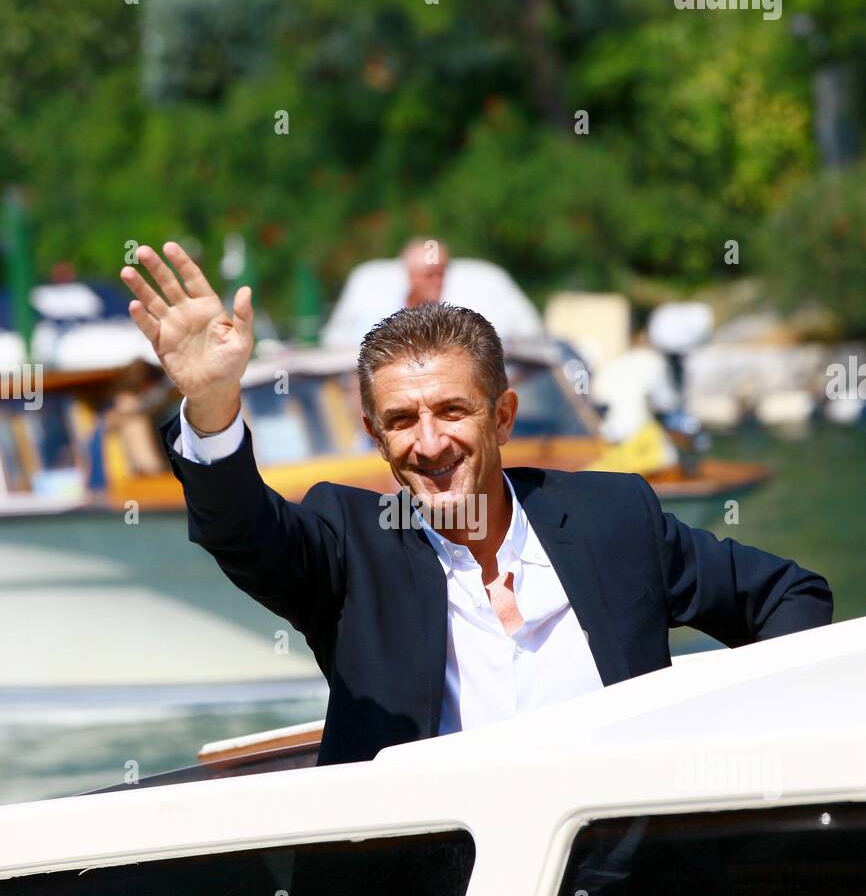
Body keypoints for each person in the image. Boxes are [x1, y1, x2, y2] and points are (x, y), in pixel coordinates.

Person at [120, 243, 834, 767]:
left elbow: (787, 596)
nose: (428, 443)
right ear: (374, 436)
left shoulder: (612, 516)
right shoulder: (349, 546)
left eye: (452, 411)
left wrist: (736, 753)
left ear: (502, 417)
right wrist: (212, 401)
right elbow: (243, 531)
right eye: (401, 420)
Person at [321, 237, 544, 347]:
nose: (439, 281)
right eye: (430, 274)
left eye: (442, 273)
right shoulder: (374, 321)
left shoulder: (462, 321)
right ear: (411, 276)